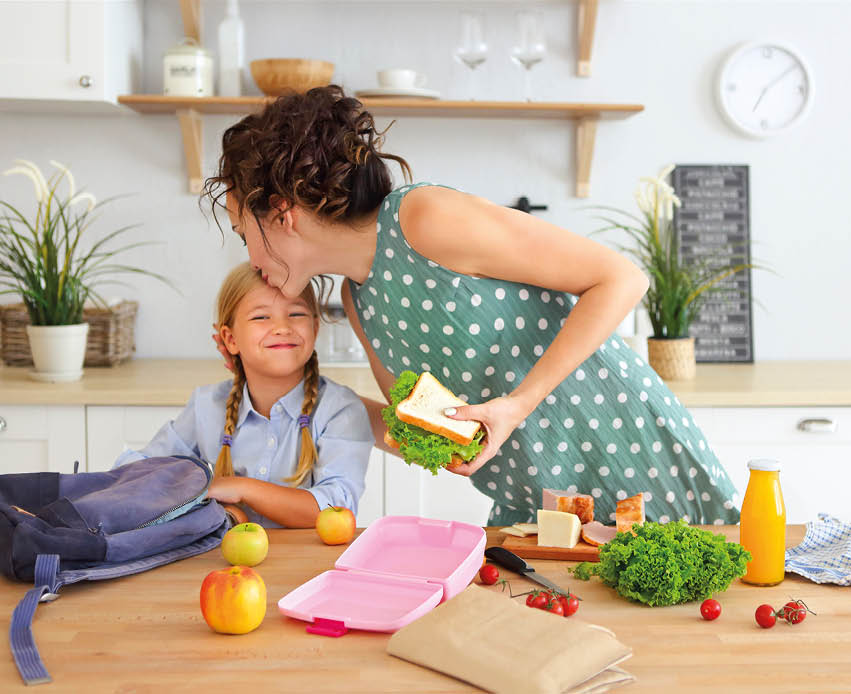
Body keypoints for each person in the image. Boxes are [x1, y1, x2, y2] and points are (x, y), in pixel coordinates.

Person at [203, 85, 740, 527]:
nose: (248, 256)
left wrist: (518, 403)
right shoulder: (359, 301)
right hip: (536, 505)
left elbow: (620, 278)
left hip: (627, 454)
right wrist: (297, 395)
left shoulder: (423, 218)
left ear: (282, 212)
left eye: (241, 230)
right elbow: (419, 432)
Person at [116, 262, 374, 528]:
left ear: (315, 329)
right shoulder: (207, 405)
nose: (282, 327)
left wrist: (240, 489)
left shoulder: (340, 409)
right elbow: (139, 470)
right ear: (230, 339)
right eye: (261, 317)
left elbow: (335, 509)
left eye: (296, 313)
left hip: (310, 567)